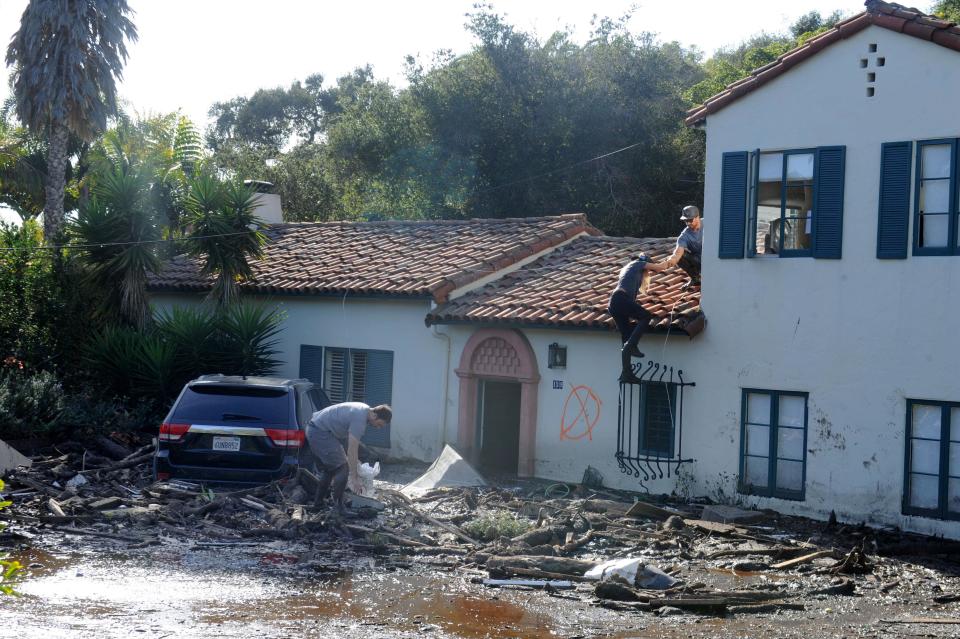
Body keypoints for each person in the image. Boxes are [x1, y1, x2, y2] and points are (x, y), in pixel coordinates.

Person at [305, 402, 392, 512]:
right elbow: (352, 449)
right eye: (379, 424)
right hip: (320, 432)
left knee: (330, 469)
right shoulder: (360, 418)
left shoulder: (362, 409)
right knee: (343, 468)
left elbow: (348, 443)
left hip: (317, 430)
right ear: (375, 415)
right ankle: (338, 508)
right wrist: (354, 477)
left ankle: (318, 504)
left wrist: (355, 463)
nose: (378, 428)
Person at [608, 255, 653, 384]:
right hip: (620, 299)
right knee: (646, 316)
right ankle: (631, 346)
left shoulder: (630, 275)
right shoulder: (637, 265)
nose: (648, 272)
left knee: (626, 334)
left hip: (614, 303)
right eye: (648, 269)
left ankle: (626, 373)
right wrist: (669, 263)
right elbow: (658, 266)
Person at [647, 205, 702, 289]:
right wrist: (667, 263)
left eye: (690, 220)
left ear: (697, 217)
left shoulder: (709, 223)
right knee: (681, 256)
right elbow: (677, 254)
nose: (688, 223)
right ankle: (695, 278)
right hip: (699, 261)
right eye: (685, 221)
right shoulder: (684, 236)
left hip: (714, 259)